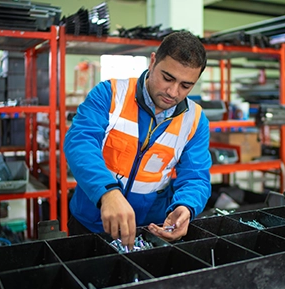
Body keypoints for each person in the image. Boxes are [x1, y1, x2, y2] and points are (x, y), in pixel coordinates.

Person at [64, 30, 212, 249]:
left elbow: (196, 176)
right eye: (167, 78)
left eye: (185, 86)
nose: (172, 92)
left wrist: (186, 206)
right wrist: (107, 193)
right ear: (153, 62)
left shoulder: (195, 120)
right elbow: (80, 143)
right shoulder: (110, 94)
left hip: (149, 229)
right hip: (90, 224)